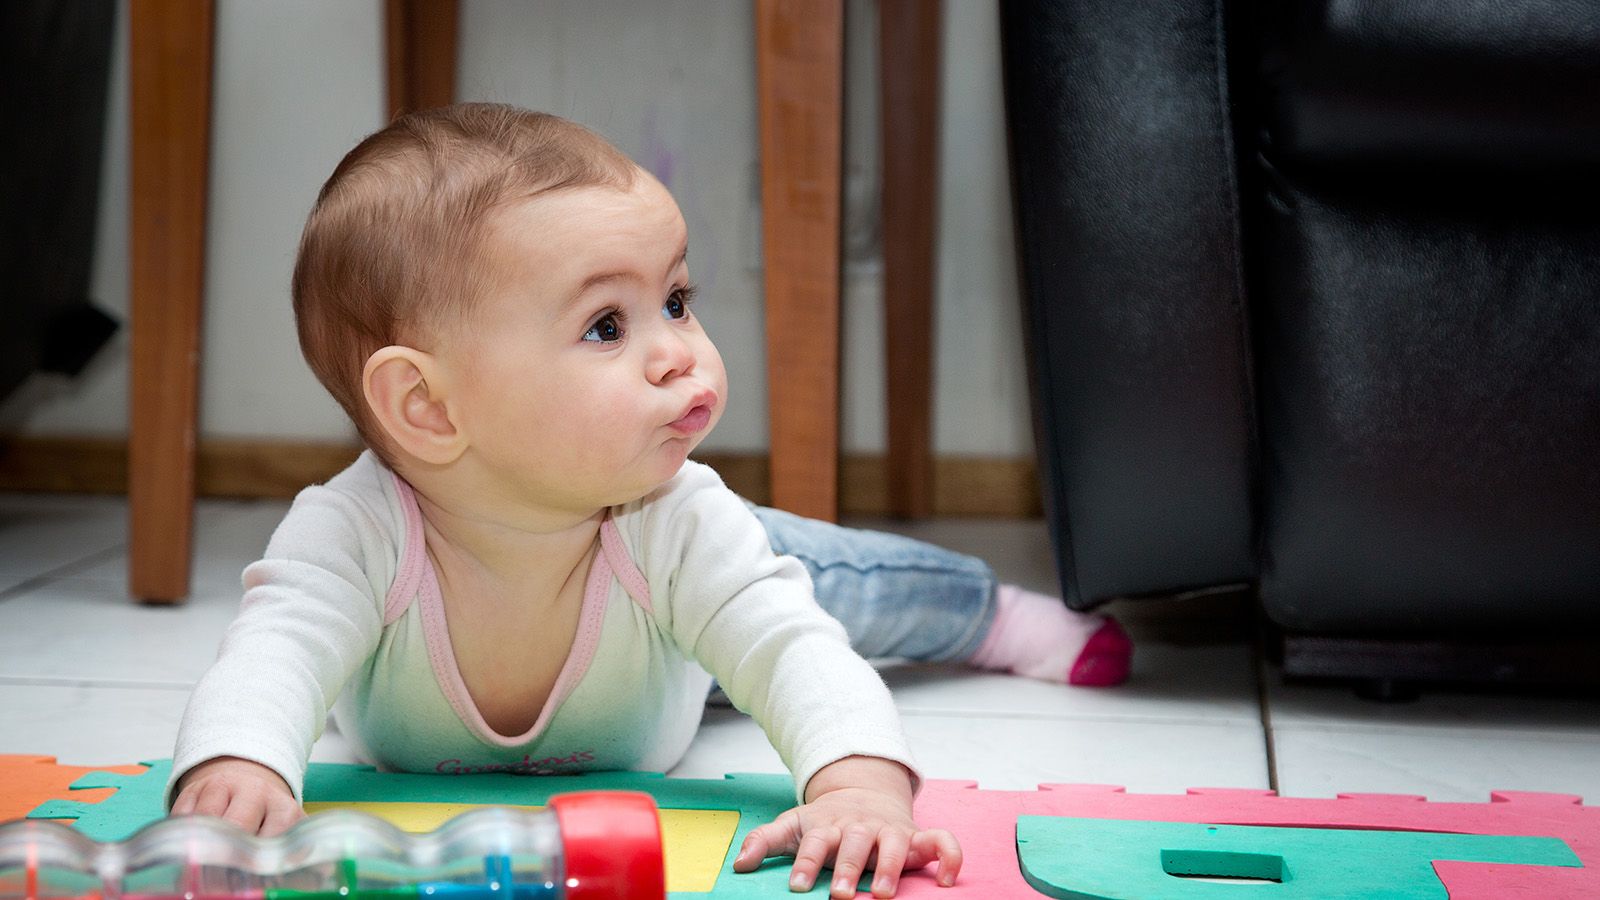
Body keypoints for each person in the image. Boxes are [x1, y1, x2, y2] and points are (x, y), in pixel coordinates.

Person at [167, 104, 1131, 899]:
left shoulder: (681, 518)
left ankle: (989, 611)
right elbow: (273, 652)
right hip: (648, 659)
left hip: (674, 621)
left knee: (849, 591)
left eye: (674, 299)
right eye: (605, 326)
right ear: (425, 405)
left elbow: (796, 655)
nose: (677, 349)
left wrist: (859, 786)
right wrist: (238, 769)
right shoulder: (352, 530)